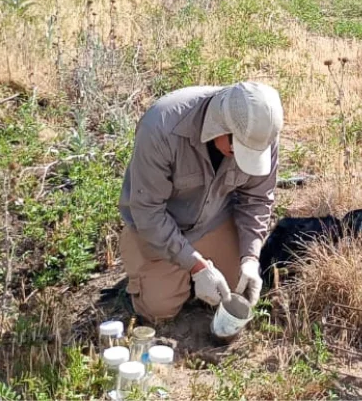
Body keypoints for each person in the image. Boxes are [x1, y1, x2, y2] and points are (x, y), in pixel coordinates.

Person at [118, 81, 283, 323]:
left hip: (212, 220)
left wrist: (250, 258)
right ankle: (146, 263)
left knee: (237, 288)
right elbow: (148, 211)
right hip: (157, 228)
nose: (241, 156)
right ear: (219, 126)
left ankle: (192, 272)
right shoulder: (161, 127)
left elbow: (257, 199)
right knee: (158, 309)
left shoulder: (262, 133)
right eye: (237, 147)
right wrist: (196, 266)